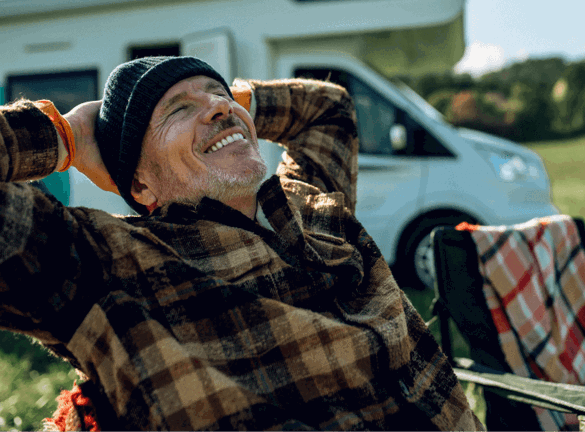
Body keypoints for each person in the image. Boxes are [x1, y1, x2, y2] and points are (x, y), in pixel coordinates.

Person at [0, 56, 483, 431]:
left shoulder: (311, 203)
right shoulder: (110, 260)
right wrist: (62, 135)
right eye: (178, 110)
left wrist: (236, 107)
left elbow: (328, 108)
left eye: (219, 93)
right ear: (140, 185)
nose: (219, 105)